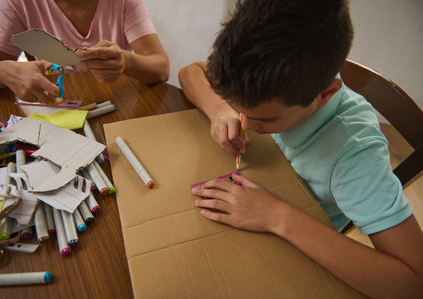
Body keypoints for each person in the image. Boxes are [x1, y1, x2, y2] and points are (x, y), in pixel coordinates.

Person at [178, 0, 423, 297]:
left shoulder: (354, 156)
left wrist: (276, 216)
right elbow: (190, 73)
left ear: (325, 94)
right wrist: (218, 110)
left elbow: (411, 283)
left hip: (297, 254)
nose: (247, 125)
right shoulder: (253, 71)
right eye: (238, 107)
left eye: (265, 118)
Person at [0, 0, 169, 104]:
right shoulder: (17, 3)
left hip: (117, 105)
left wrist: (126, 61)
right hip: (57, 111)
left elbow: (161, 68)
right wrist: (5, 71)